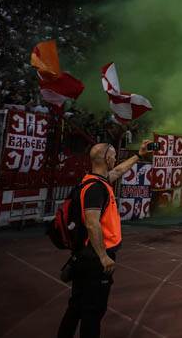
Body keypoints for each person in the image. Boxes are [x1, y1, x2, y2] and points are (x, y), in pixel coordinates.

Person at [58, 140, 152, 338]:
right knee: (93, 311)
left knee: (76, 306)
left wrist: (140, 155)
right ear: (107, 158)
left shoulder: (93, 181)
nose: (115, 159)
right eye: (114, 155)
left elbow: (117, 171)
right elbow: (92, 223)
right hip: (95, 258)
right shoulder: (95, 188)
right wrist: (103, 256)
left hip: (83, 255)